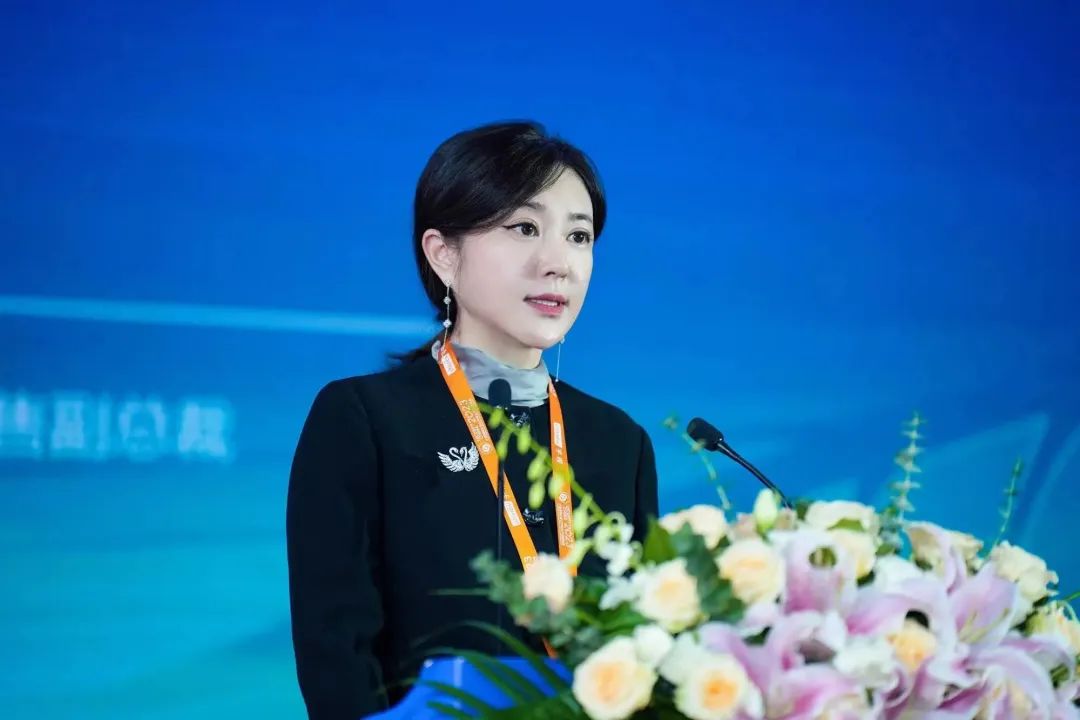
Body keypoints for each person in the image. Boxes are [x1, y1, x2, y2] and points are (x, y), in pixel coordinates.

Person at [286, 121, 659, 720]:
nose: (558, 263)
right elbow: (337, 652)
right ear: (444, 254)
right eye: (524, 228)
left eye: (579, 236)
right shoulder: (365, 418)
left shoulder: (619, 442)